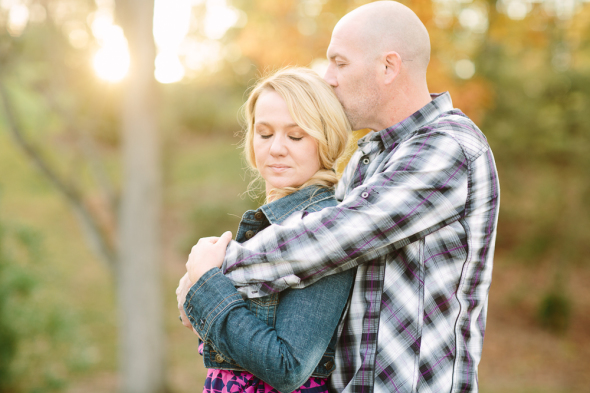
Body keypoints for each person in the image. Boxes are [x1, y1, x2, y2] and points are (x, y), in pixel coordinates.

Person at [180, 1, 500, 392]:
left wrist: (211, 279)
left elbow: (329, 239)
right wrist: (205, 284)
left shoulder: (449, 147)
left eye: (340, 63)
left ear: (388, 66)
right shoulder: (369, 158)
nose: (328, 78)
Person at [177, 67, 356, 393]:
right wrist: (196, 291)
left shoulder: (322, 226)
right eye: (264, 133)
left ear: (326, 138)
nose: (276, 148)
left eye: (296, 135)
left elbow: (287, 366)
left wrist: (204, 283)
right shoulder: (270, 226)